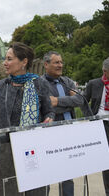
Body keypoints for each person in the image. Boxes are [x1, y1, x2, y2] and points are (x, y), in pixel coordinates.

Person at [0, 42, 54, 196]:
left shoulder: (39, 83)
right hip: (6, 150)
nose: (5, 62)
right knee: (7, 191)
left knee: (35, 190)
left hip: (34, 148)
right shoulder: (1, 86)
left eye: (9, 59)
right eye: (5, 58)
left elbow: (49, 111)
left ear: (24, 62)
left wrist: (49, 118)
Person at [42, 51, 84, 196]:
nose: (60, 65)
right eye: (56, 62)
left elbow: (80, 100)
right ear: (46, 65)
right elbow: (47, 105)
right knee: (46, 174)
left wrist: (58, 101)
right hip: (50, 134)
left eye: (61, 62)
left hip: (69, 134)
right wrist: (68, 102)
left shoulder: (67, 82)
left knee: (67, 173)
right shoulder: (40, 84)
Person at [81, 57, 109, 196]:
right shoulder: (94, 84)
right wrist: (90, 116)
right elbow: (83, 100)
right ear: (105, 71)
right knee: (107, 159)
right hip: (101, 123)